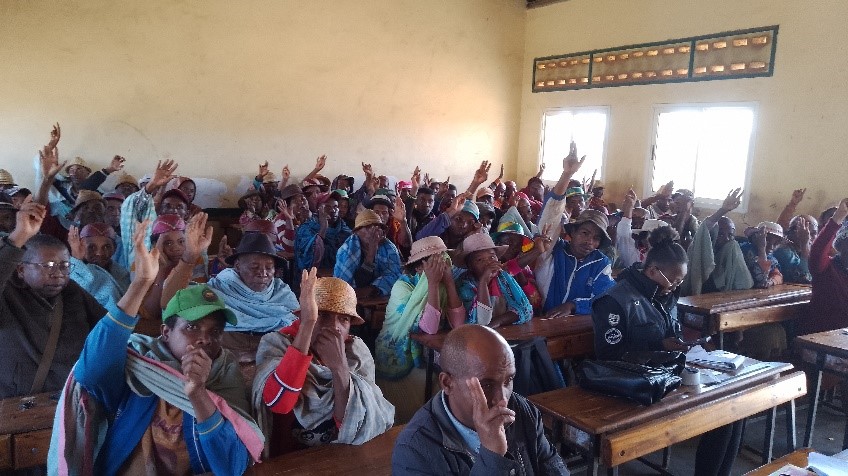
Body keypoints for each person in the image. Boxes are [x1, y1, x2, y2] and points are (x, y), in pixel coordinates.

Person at [48, 236, 264, 475]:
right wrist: (140, 283)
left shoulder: (223, 371)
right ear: (166, 332)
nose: (205, 339)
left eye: (215, 331)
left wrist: (199, 394)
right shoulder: (139, 364)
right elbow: (91, 374)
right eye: (192, 327)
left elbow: (231, 466)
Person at [591, 228, 743, 476]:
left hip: (667, 375)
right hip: (631, 384)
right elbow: (609, 356)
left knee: (733, 408)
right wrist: (660, 347)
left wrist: (684, 344)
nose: (675, 287)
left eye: (680, 282)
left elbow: (671, 332)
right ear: (652, 271)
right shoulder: (614, 300)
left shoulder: (665, 295)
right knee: (723, 409)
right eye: (673, 280)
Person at [392, 324, 568, 475]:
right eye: (487, 385)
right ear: (447, 383)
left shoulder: (522, 410)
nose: (503, 400)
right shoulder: (414, 452)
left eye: (508, 381)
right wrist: (493, 455)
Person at [253, 273, 395, 456]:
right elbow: (279, 403)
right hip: (287, 459)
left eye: (343, 319)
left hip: (338, 456)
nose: (334, 327)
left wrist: (339, 368)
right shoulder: (277, 344)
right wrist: (308, 324)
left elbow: (352, 423)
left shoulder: (356, 353)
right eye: (323, 315)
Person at [0, 196, 105, 398]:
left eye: (64, 266)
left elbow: (105, 330)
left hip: (71, 401)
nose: (58, 273)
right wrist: (18, 238)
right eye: (47, 266)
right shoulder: (7, 295)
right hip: (18, 408)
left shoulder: (73, 293)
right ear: (21, 269)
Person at [375, 236, 465, 380]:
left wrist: (448, 282)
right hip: (396, 351)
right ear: (418, 268)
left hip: (428, 349)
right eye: (434, 262)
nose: (441, 265)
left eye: (444, 260)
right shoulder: (402, 286)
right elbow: (429, 328)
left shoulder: (447, 283)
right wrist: (432, 283)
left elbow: (458, 324)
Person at [455, 233, 534, 328]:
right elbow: (481, 321)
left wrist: (499, 321)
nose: (488, 263)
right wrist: (483, 282)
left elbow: (525, 309)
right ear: (470, 266)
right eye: (480, 260)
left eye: (492, 257)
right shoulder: (465, 285)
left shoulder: (503, 277)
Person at [801, 198, 848, 335]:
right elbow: (818, 249)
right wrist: (837, 218)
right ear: (842, 244)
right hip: (821, 340)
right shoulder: (825, 267)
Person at [334, 209, 402, 298]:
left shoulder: (389, 248)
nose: (373, 231)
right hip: (350, 296)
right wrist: (371, 253)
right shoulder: (346, 250)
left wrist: (373, 288)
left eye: (377, 227)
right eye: (367, 227)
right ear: (356, 232)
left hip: (378, 295)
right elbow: (344, 285)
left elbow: (394, 275)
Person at [67, 222, 131, 309]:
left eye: (106, 247)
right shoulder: (68, 271)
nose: (99, 253)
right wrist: (77, 260)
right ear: (80, 246)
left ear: (114, 248)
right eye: (91, 247)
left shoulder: (123, 275)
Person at [295, 191, 352, 272]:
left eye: (335, 207)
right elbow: (309, 261)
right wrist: (323, 227)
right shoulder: (306, 229)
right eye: (327, 207)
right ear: (318, 210)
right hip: (312, 278)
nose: (333, 210)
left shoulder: (344, 230)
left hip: (339, 276)